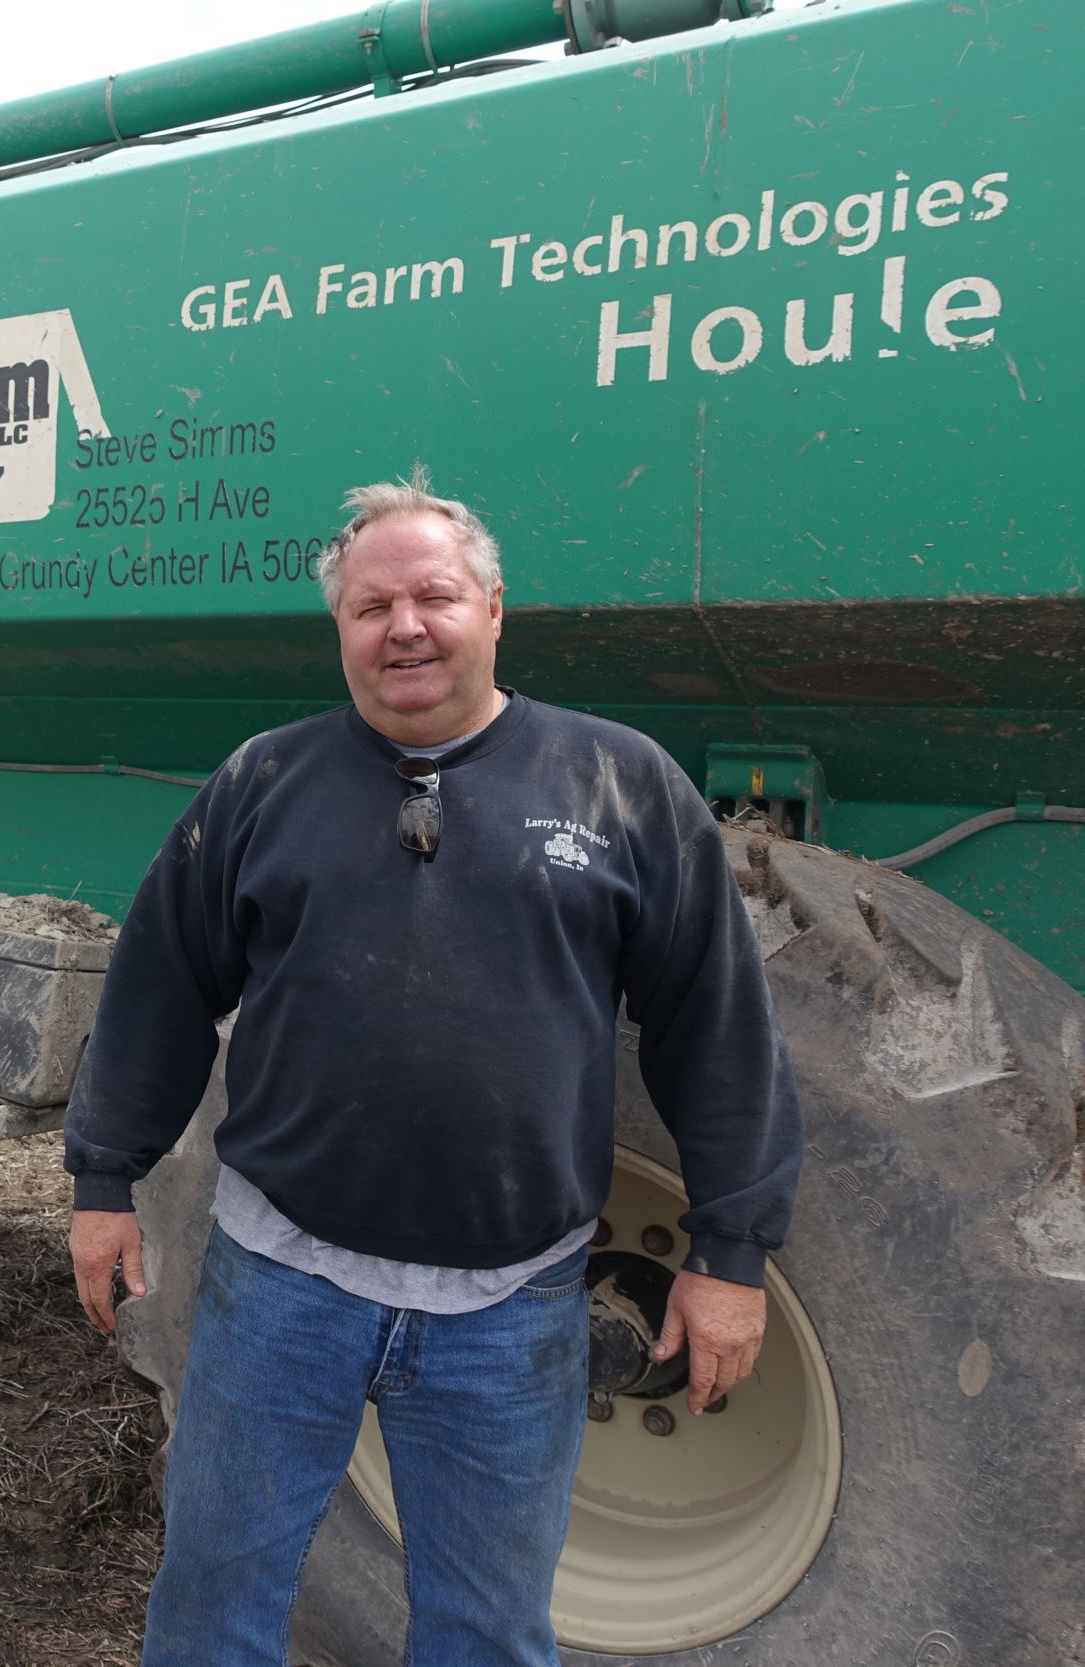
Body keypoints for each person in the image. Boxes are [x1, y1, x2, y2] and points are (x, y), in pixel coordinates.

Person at [62, 467, 804, 1667]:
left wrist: (730, 1252)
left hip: (508, 1311)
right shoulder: (262, 783)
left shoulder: (620, 786)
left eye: (435, 596)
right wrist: (103, 1180)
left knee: (489, 1634)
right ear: (340, 631)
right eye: (370, 608)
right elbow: (156, 988)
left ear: (495, 611)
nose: (403, 626)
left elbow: (713, 1026)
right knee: (212, 1608)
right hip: (279, 1285)